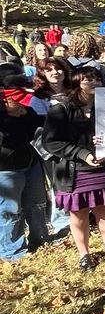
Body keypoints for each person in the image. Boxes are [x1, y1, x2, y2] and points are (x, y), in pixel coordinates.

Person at [41, 62, 105, 271]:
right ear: (77, 82)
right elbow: (51, 142)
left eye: (97, 78)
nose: (95, 82)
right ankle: (84, 254)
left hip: (103, 168)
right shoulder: (61, 109)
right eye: (89, 78)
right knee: (79, 213)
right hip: (74, 172)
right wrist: (82, 154)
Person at [0, 76, 48, 261]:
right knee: (10, 210)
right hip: (6, 169)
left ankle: (40, 238)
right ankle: (12, 251)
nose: (23, 105)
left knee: (37, 204)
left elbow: (39, 126)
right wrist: (10, 119)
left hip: (31, 163)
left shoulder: (26, 111)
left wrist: (25, 114)